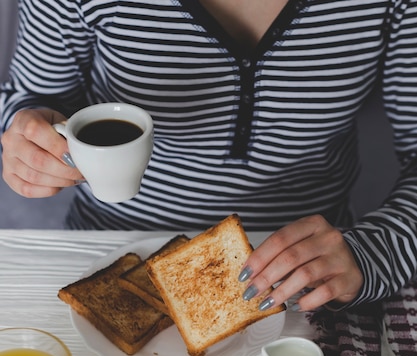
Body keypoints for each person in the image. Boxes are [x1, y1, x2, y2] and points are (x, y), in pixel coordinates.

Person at [1, 0, 417, 314]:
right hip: (109, 252)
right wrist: (25, 136)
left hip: (304, 278)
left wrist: (373, 252)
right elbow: (29, 98)